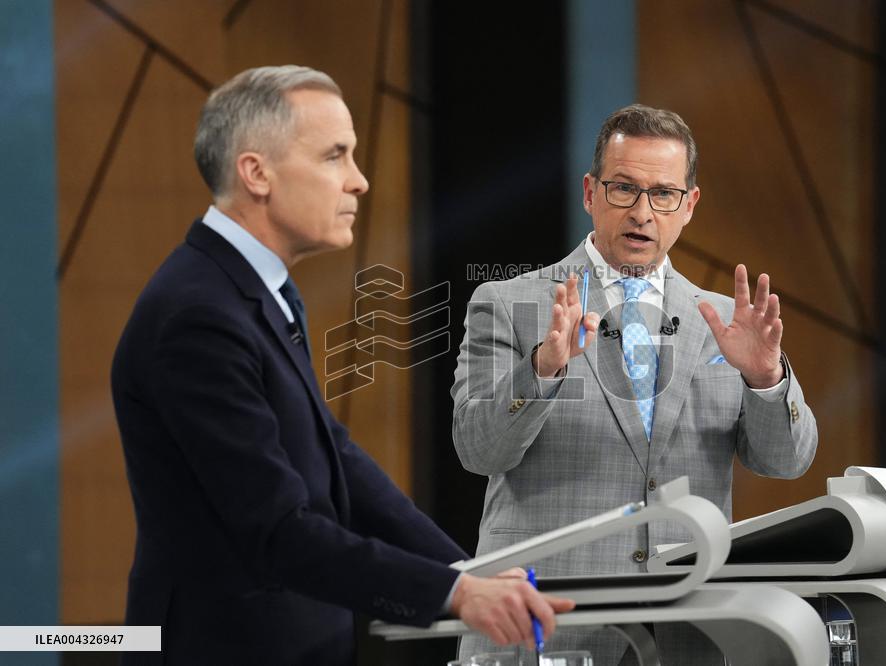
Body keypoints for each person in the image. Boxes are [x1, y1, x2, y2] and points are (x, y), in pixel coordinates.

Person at [111, 65, 572, 666]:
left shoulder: (257, 290)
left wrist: (469, 570)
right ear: (256, 173)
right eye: (335, 156)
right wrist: (454, 593)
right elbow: (277, 530)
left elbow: (337, 461)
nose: (359, 180)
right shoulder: (197, 317)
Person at [451, 104, 818, 664]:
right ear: (589, 192)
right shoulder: (511, 304)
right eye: (623, 189)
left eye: (663, 194)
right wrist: (545, 367)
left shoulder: (726, 322)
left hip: (687, 630)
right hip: (546, 624)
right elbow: (479, 450)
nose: (643, 212)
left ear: (689, 205)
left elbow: (787, 462)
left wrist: (766, 377)